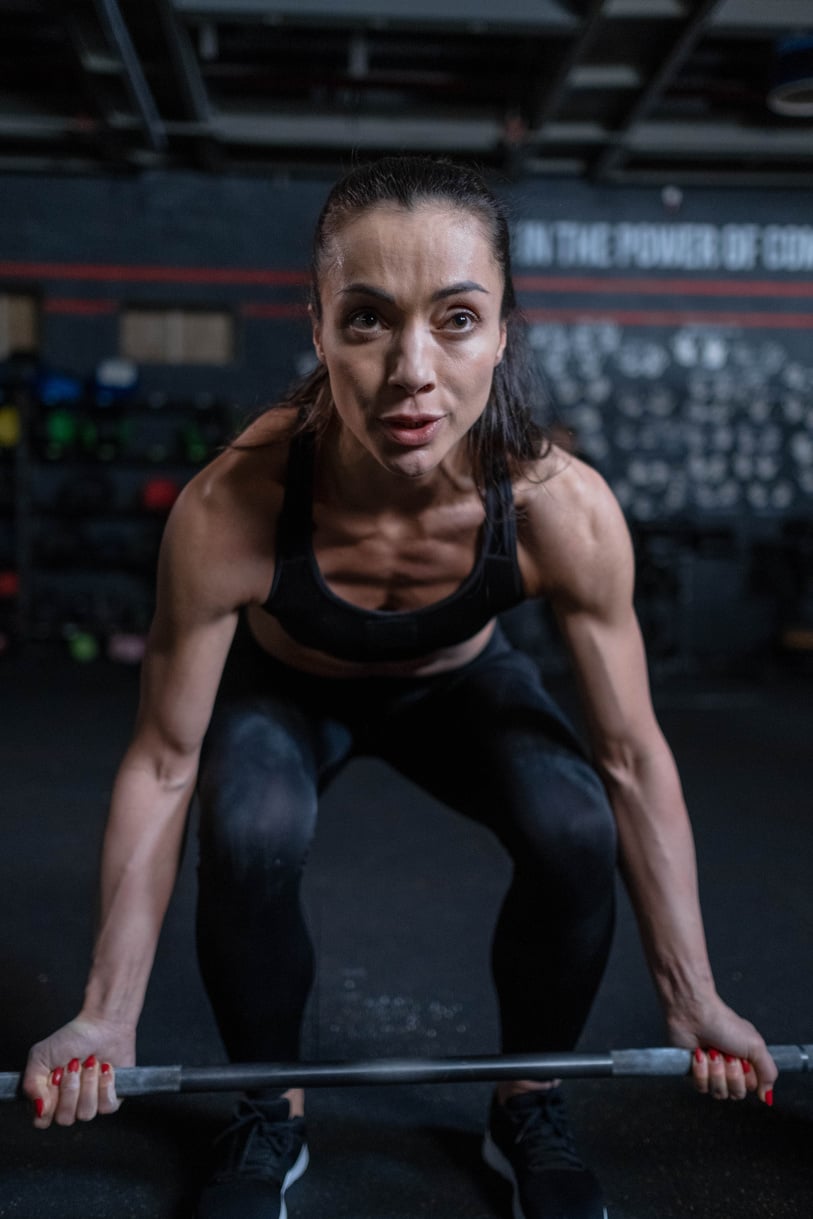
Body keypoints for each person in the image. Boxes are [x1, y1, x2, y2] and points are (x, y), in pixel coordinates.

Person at [24, 156, 777, 1219]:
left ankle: (527, 1105)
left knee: (574, 823)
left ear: (506, 328)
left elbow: (632, 756)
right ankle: (266, 1112)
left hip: (457, 688)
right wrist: (107, 1013)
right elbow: (162, 762)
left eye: (457, 319)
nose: (411, 370)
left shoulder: (564, 508)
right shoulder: (230, 504)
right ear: (319, 324)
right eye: (369, 318)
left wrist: (691, 996)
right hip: (290, 687)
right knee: (249, 823)